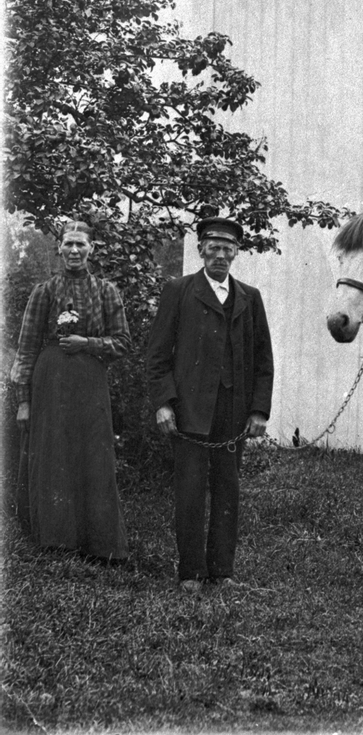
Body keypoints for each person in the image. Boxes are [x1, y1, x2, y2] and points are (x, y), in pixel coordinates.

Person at [146, 216, 274, 593]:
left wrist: (258, 410)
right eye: (213, 247)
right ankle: (190, 573)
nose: (220, 255)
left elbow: (263, 360)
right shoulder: (179, 291)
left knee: (227, 489)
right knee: (190, 490)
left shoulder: (249, 297)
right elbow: (157, 355)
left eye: (227, 249)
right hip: (189, 411)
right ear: (201, 250)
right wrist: (163, 403)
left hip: (233, 412)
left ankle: (222, 571)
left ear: (236, 253)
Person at [11, 220, 129, 560]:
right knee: (54, 452)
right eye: (68, 244)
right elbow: (27, 349)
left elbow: (122, 342)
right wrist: (23, 401)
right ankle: (56, 538)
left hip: (90, 382)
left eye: (81, 244)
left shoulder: (106, 291)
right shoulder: (44, 291)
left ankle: (99, 542)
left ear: (92, 248)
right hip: (50, 382)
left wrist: (87, 343)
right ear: (59, 248)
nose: (74, 250)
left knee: (94, 454)